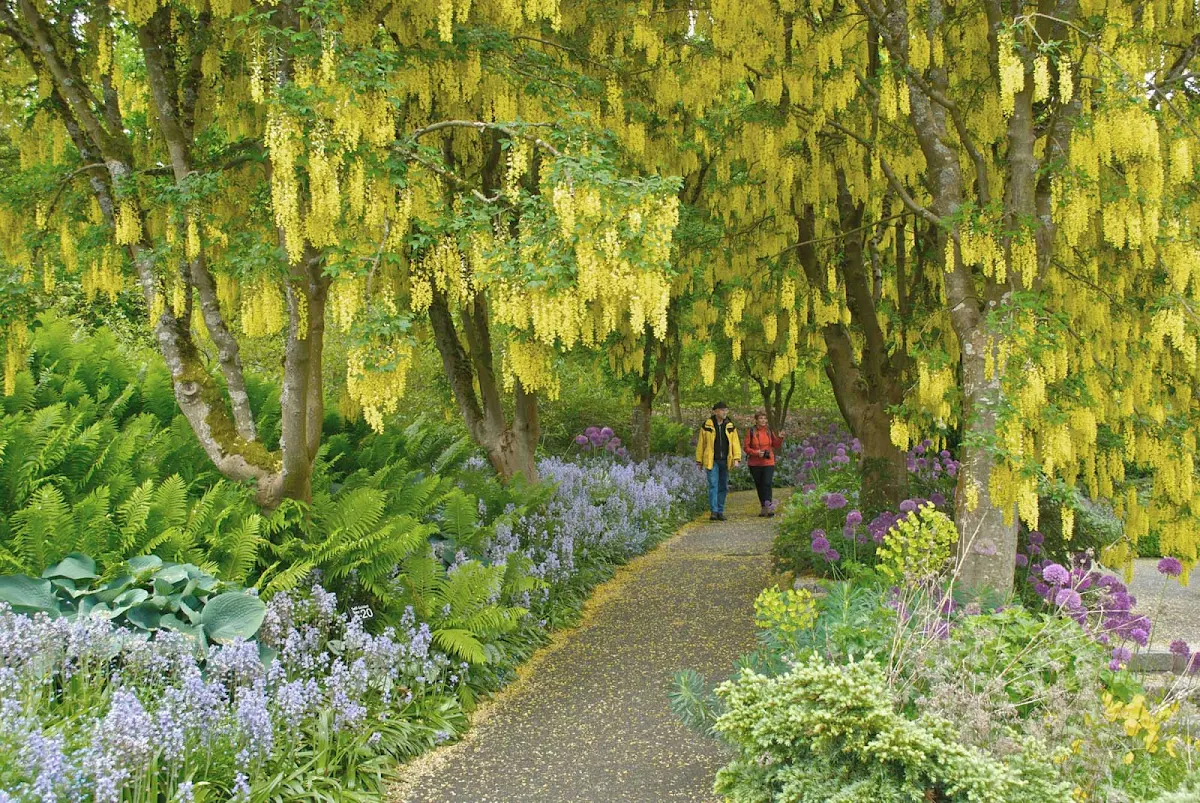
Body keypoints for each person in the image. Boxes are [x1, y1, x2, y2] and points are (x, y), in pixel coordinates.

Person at [696, 401, 741, 521]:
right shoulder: (707, 425)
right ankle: (714, 511)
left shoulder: (730, 425)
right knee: (713, 485)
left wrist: (736, 458)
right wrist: (699, 461)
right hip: (712, 460)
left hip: (726, 460)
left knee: (723, 486)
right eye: (722, 410)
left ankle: (720, 511)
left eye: (726, 410)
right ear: (715, 411)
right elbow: (701, 443)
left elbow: (735, 443)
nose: (724, 412)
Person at [745, 411, 784, 517]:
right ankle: (763, 507)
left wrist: (780, 438)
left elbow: (775, 445)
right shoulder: (751, 431)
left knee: (767, 483)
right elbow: (746, 448)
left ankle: (769, 507)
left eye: (764, 418)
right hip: (755, 463)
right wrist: (757, 453)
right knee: (759, 485)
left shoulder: (769, 431)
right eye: (761, 418)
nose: (763, 420)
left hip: (768, 462)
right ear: (756, 420)